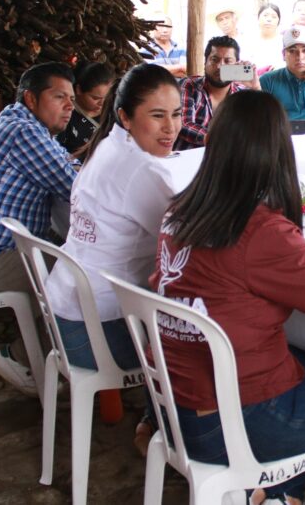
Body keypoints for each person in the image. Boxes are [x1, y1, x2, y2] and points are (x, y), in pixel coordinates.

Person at [151, 90, 305, 505]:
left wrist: (298, 256)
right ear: (278, 151)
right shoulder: (260, 230)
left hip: (175, 405)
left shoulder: (181, 210)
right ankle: (274, 487)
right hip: (237, 420)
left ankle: (276, 490)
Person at [46, 63, 180, 452]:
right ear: (125, 116)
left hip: (67, 319)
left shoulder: (107, 145)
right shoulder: (140, 169)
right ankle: (171, 432)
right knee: (202, 333)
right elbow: (186, 246)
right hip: (93, 336)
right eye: (157, 116)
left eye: (175, 114)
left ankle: (155, 422)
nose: (170, 128)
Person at [0, 62, 77, 394]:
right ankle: (19, 357)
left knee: (68, 260)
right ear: (31, 99)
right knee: (79, 275)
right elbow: (76, 188)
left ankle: (51, 353)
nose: (69, 106)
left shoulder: (18, 123)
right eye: (59, 96)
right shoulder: (24, 132)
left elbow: (64, 164)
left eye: (72, 99)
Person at [176, 35, 260, 150]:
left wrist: (256, 89)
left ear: (237, 65)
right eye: (214, 60)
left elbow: (261, 127)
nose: (220, 66)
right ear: (205, 62)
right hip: (188, 159)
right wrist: (220, 140)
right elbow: (183, 124)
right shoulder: (189, 85)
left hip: (226, 161)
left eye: (227, 61)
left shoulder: (242, 94)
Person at [56, 61, 115, 158]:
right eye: (95, 98)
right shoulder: (62, 112)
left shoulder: (111, 117)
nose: (102, 103)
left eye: (106, 98)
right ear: (79, 90)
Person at [246, 3, 285, 75]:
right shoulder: (248, 42)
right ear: (258, 18)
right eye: (265, 15)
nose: (269, 19)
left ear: (278, 21)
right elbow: (238, 72)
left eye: (273, 17)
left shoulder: (285, 42)